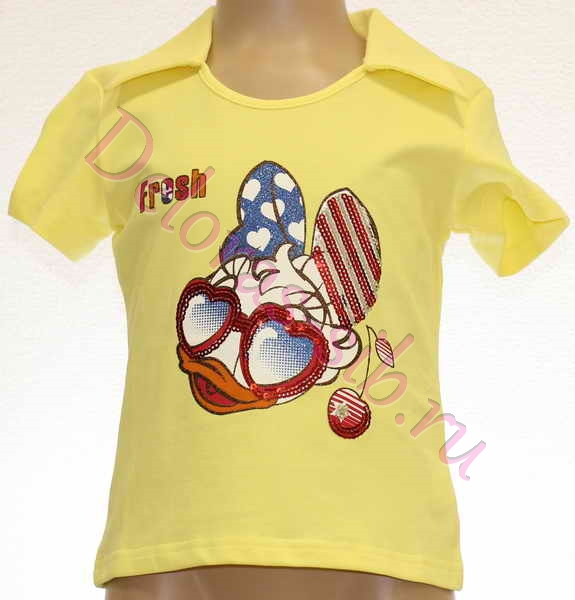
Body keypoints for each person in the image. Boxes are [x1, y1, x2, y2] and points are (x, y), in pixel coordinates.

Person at [8, 1, 570, 599]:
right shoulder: (118, 108)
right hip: (167, 552)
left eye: (278, 349)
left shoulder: (444, 107)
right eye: (207, 314)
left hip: (384, 553)